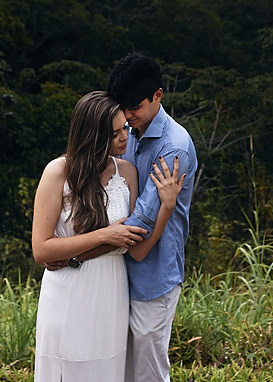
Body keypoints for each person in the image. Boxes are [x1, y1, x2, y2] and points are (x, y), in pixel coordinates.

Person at [32, 90, 185, 381]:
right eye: (115, 134)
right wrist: (105, 235)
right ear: (93, 136)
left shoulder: (126, 172)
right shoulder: (57, 172)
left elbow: (137, 250)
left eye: (124, 129)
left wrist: (167, 206)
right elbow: (41, 250)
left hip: (111, 292)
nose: (125, 138)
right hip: (68, 294)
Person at [108, 52, 198, 382]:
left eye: (135, 107)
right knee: (120, 366)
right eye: (123, 107)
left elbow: (140, 226)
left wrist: (76, 247)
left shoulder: (174, 146)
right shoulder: (125, 131)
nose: (128, 115)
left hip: (153, 274)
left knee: (148, 371)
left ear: (158, 95)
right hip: (116, 271)